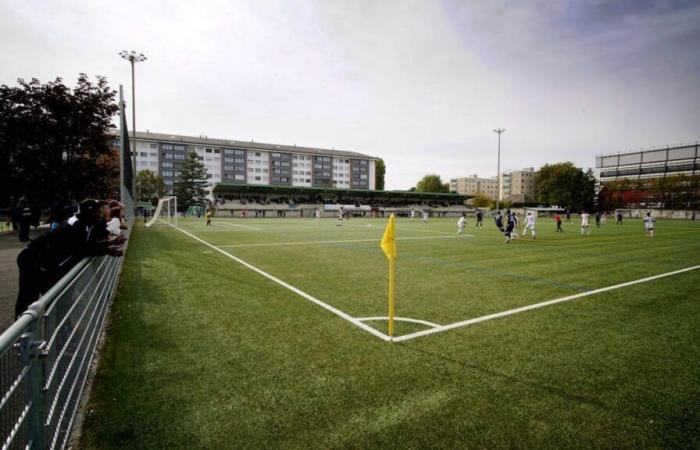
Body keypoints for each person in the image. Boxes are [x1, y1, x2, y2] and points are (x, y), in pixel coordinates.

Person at [15, 199, 124, 318]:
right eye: (98, 212)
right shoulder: (77, 224)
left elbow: (87, 244)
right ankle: (21, 331)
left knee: (55, 299)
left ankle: (57, 330)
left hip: (44, 261)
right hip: (33, 258)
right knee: (29, 298)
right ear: (89, 212)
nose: (101, 215)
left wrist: (108, 245)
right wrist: (108, 248)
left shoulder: (82, 223)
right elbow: (83, 248)